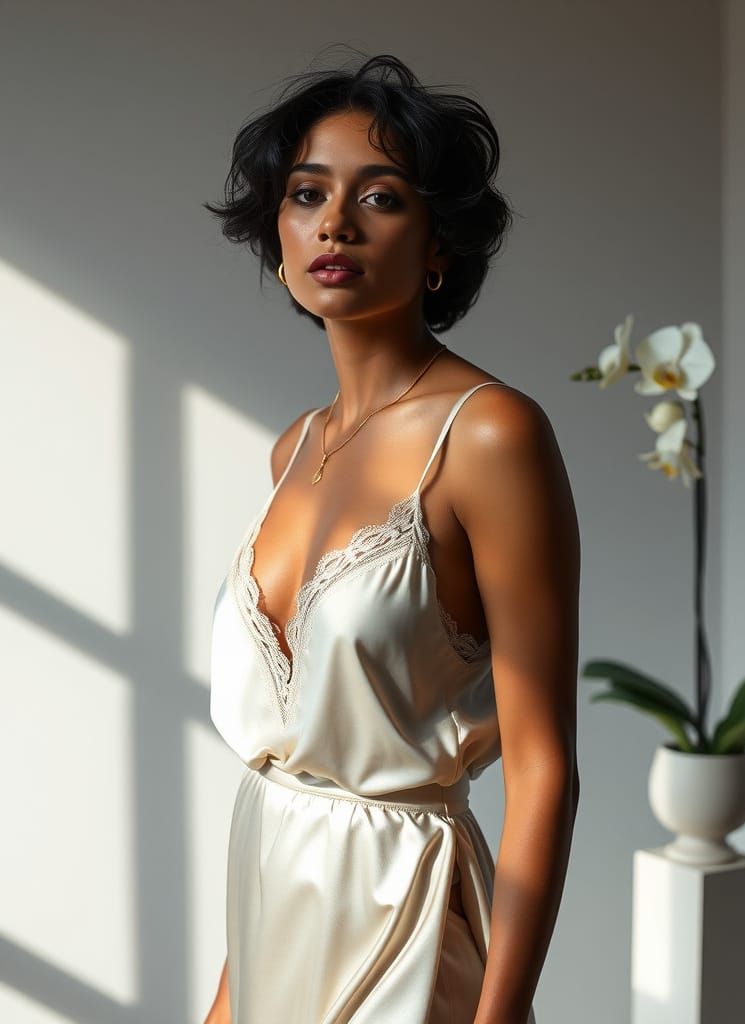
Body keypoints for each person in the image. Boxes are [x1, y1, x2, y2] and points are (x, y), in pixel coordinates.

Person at [202, 49, 580, 1024]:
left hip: (405, 932)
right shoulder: (293, 449)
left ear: (439, 243)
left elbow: (544, 769)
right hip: (268, 925)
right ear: (278, 239)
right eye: (306, 193)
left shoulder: (490, 435)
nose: (335, 221)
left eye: (380, 197)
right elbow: (283, 777)